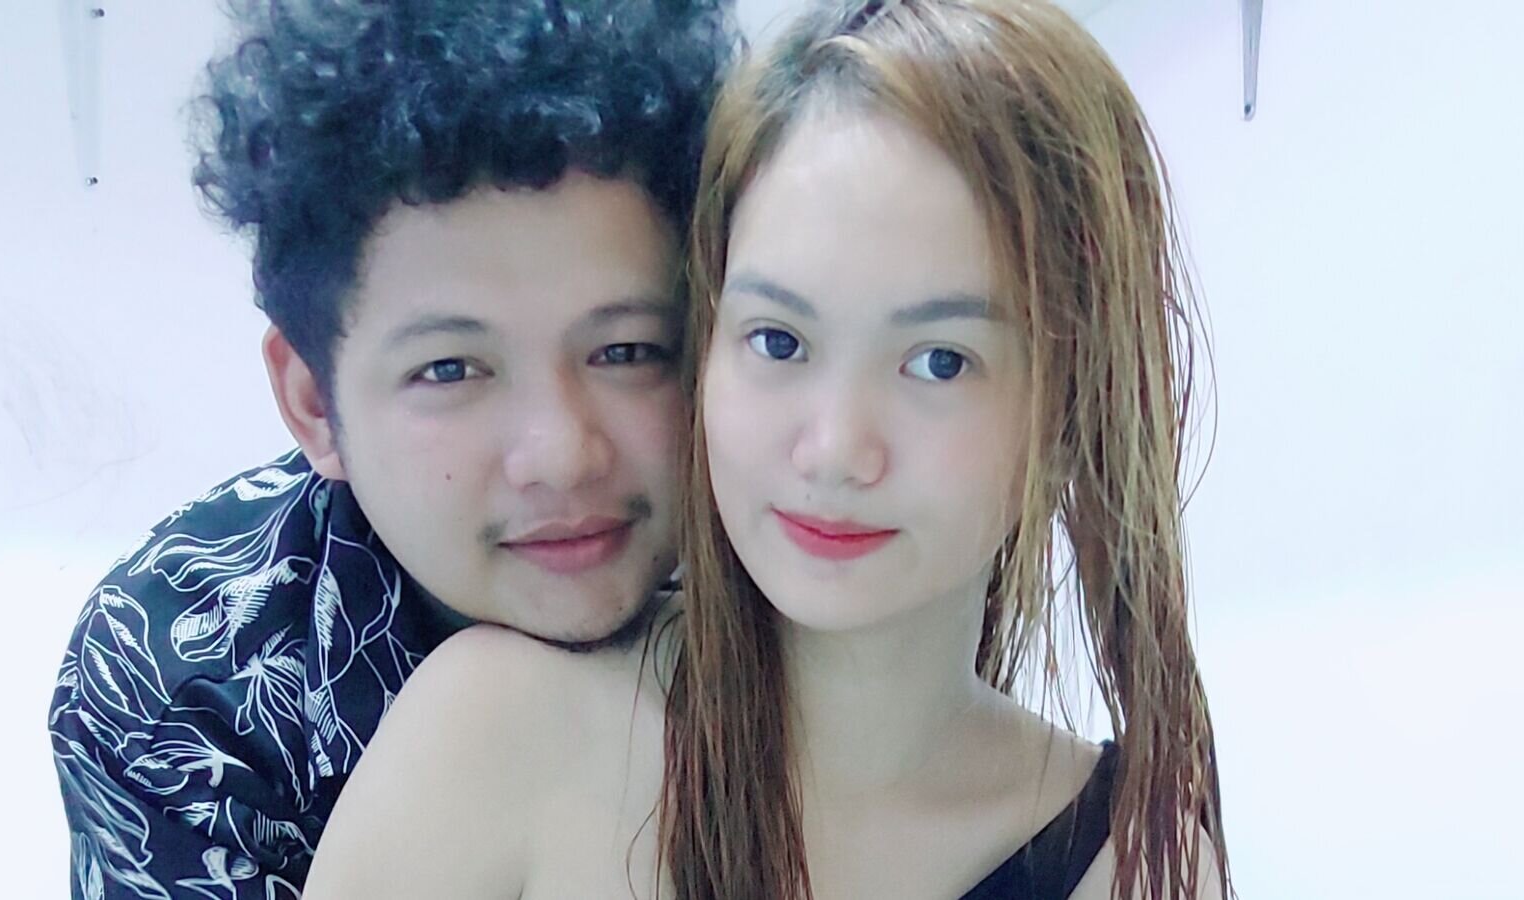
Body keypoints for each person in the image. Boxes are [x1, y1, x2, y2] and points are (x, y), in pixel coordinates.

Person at [305, 0, 1231, 898]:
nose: (834, 450)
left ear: (1073, 404)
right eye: (778, 341)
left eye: (940, 361)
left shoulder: (1135, 866)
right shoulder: (499, 733)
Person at [46, 1, 735, 896]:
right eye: (450, 369)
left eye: (629, 351)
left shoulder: (807, 567)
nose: (563, 455)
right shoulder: (173, 681)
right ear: (313, 405)